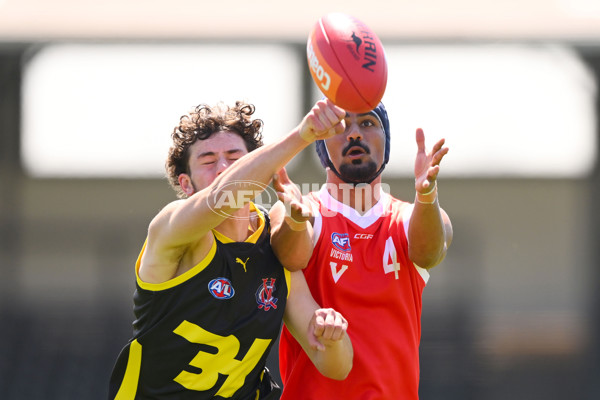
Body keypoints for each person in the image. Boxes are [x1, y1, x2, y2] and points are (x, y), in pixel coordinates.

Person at [108, 99, 353, 400]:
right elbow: (223, 195)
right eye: (209, 161)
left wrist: (333, 336)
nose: (223, 168)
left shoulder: (275, 244)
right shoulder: (171, 230)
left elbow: (336, 367)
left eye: (235, 157)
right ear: (186, 184)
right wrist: (303, 134)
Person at [277, 102, 453, 400]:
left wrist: (426, 195)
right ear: (321, 147)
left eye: (369, 124)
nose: (355, 135)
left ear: (386, 143)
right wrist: (295, 221)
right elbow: (291, 256)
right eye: (341, 126)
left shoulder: (412, 218)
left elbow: (428, 253)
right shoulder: (304, 212)